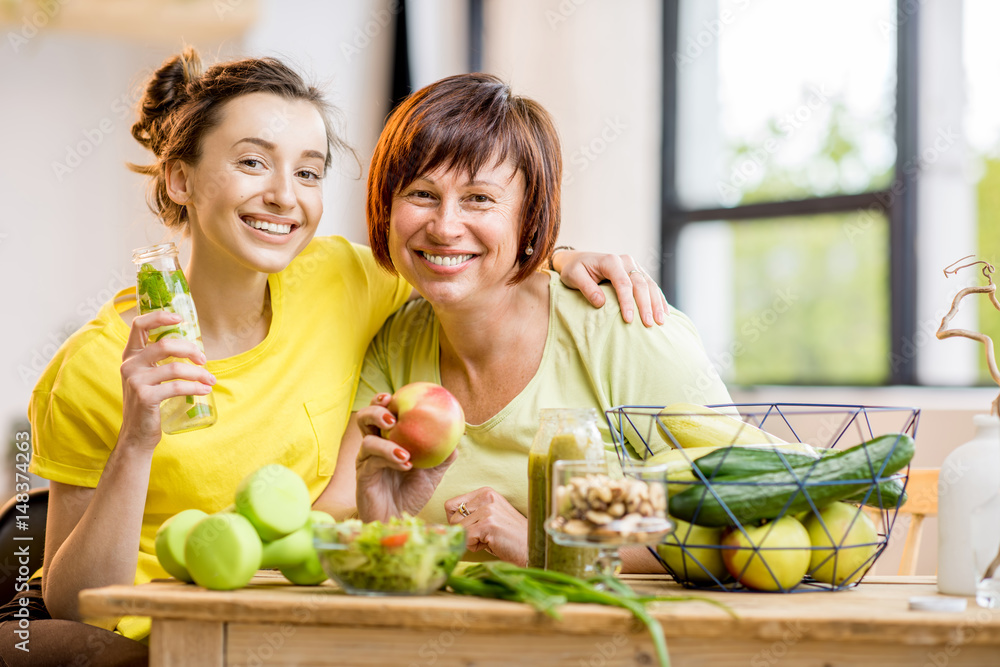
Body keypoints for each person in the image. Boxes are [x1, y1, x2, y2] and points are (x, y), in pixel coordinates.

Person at [0, 49, 665, 664]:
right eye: (253, 161)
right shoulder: (97, 364)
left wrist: (561, 253)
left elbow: (452, 251)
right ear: (180, 179)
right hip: (164, 643)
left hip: (301, 628)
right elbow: (77, 602)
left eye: (309, 171)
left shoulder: (342, 279)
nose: (285, 195)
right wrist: (137, 438)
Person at [345, 73, 734, 569]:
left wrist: (546, 543)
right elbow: (339, 514)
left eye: (480, 198)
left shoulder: (622, 327)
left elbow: (736, 516)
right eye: (421, 194)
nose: (443, 227)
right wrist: (383, 520)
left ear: (530, 217)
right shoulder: (395, 341)